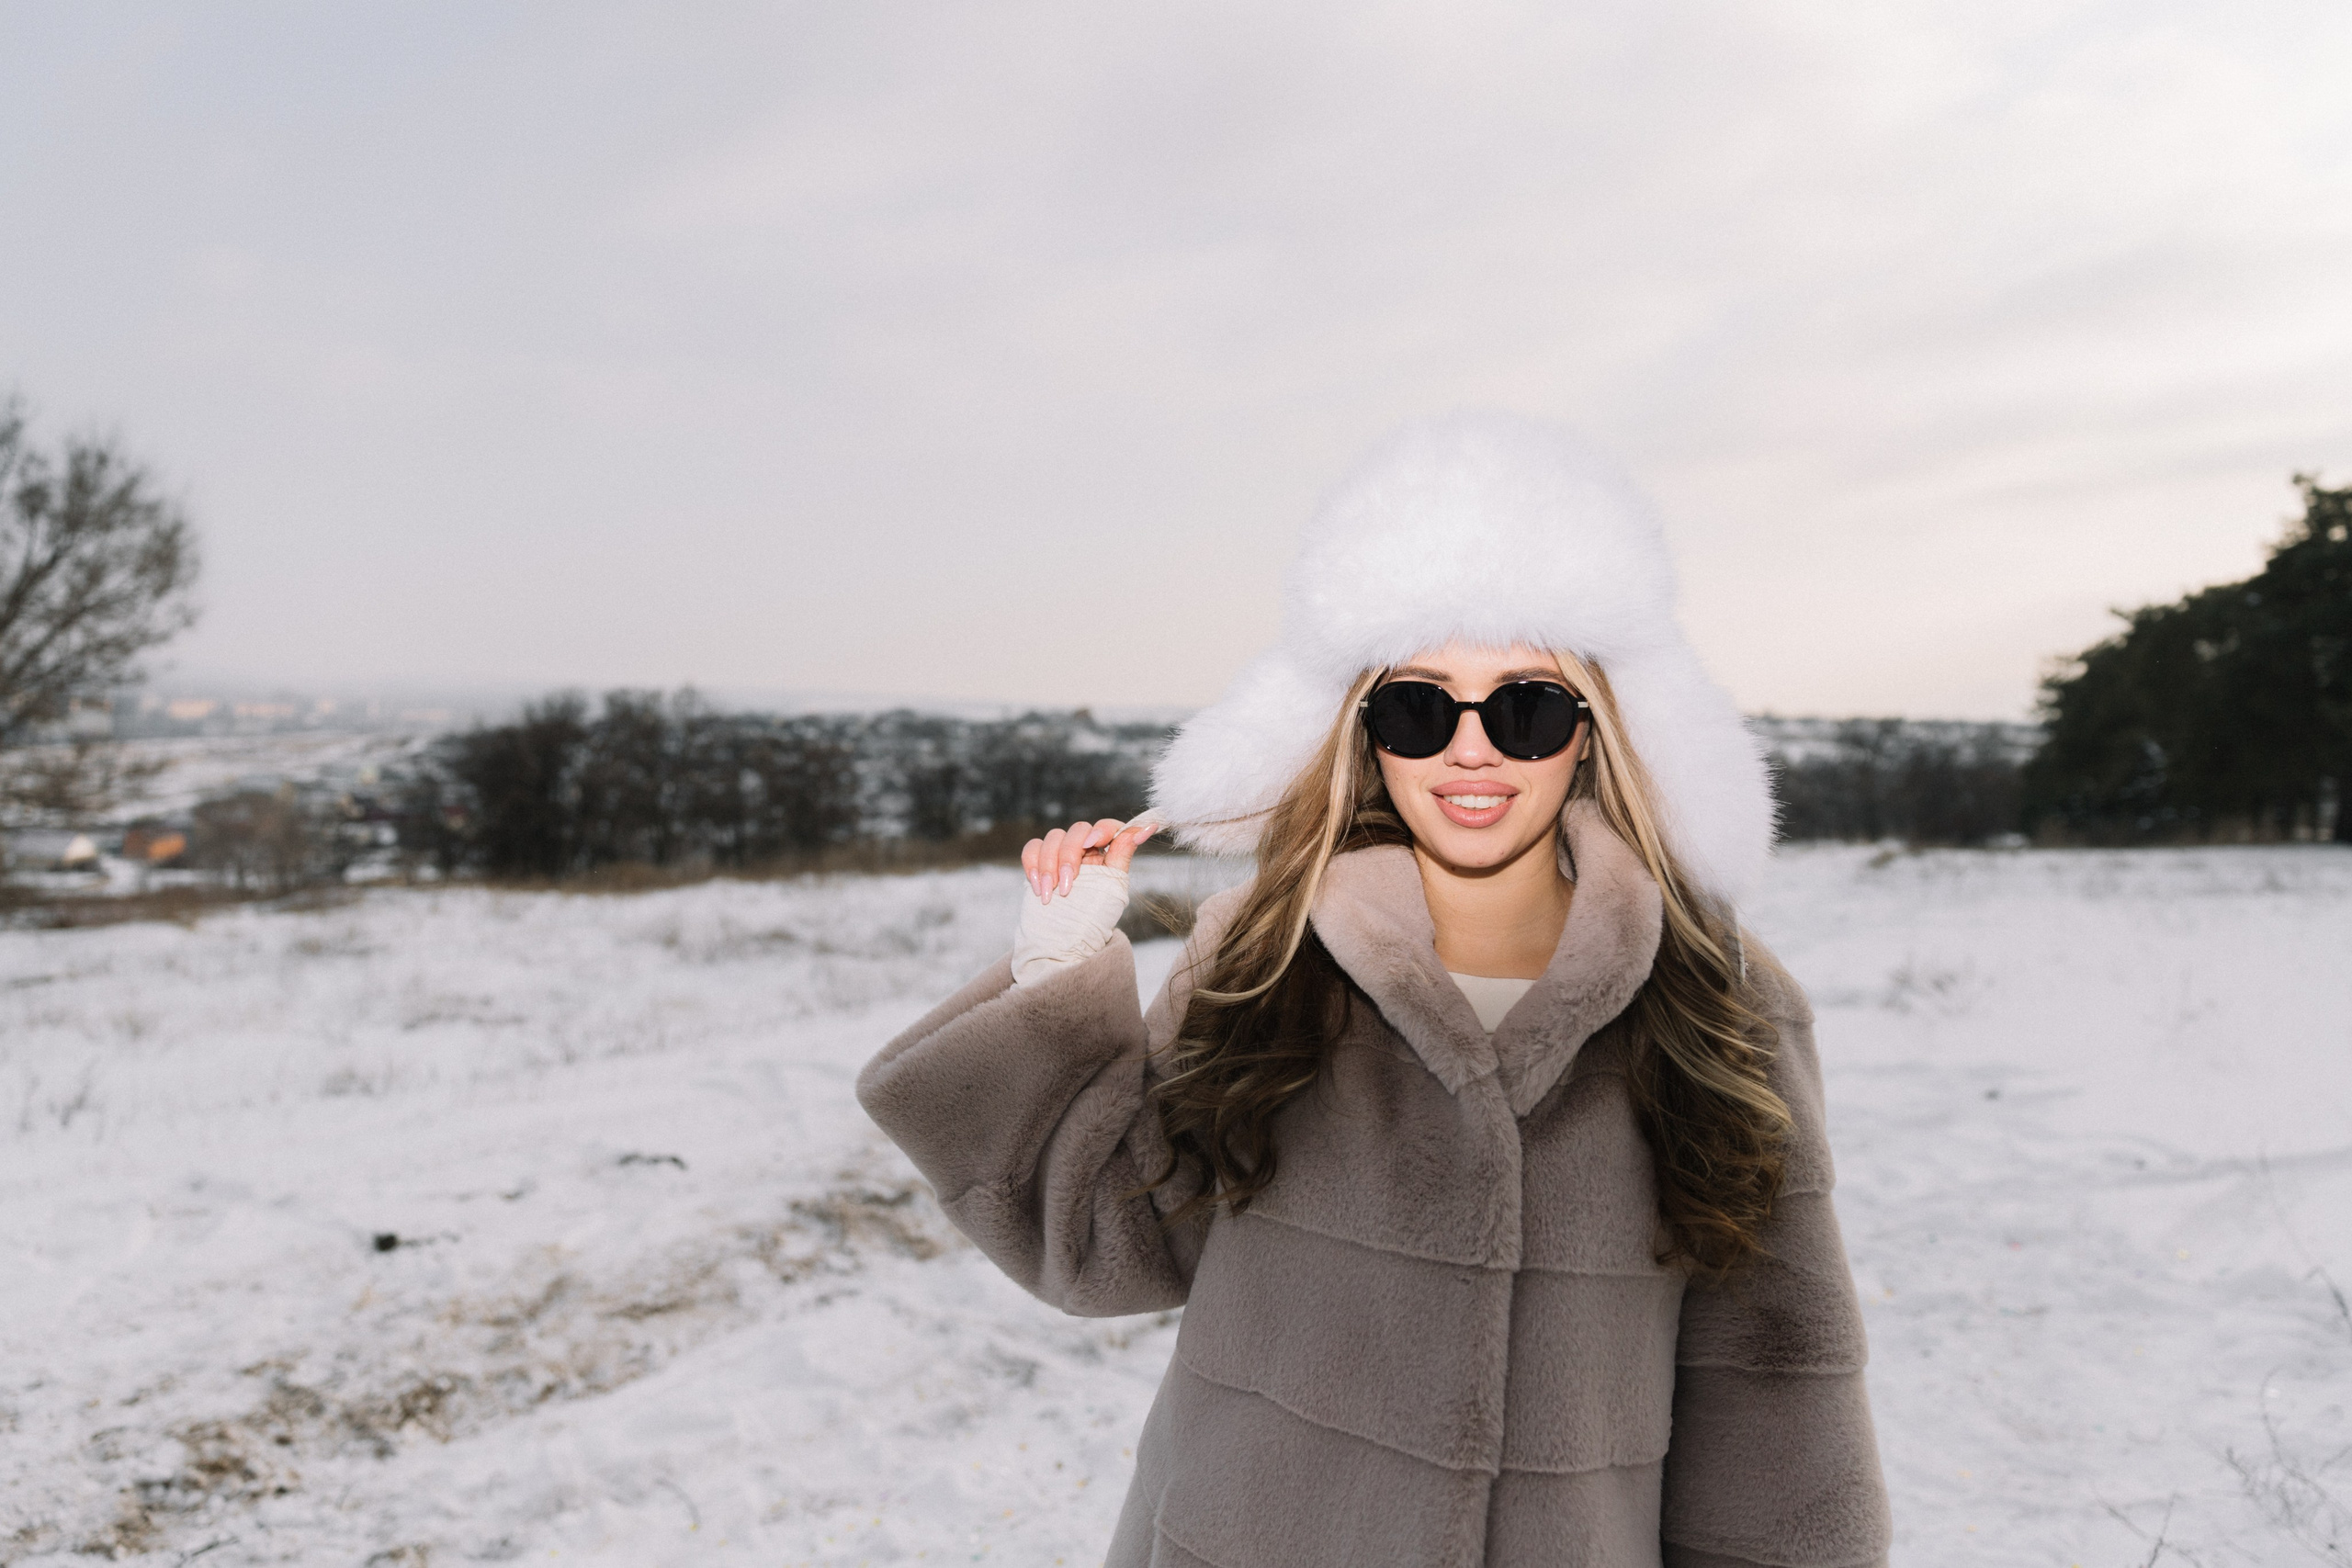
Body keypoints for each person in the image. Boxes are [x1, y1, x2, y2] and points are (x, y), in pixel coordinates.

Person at [857, 412, 1892, 1568]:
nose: (1470, 749)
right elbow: (1107, 1243)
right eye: (1415, 704)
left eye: (1526, 705)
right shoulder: (1260, 958)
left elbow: (1776, 1385)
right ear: (1364, 732)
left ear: (1593, 735)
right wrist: (1059, 965)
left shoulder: (1718, 1002)